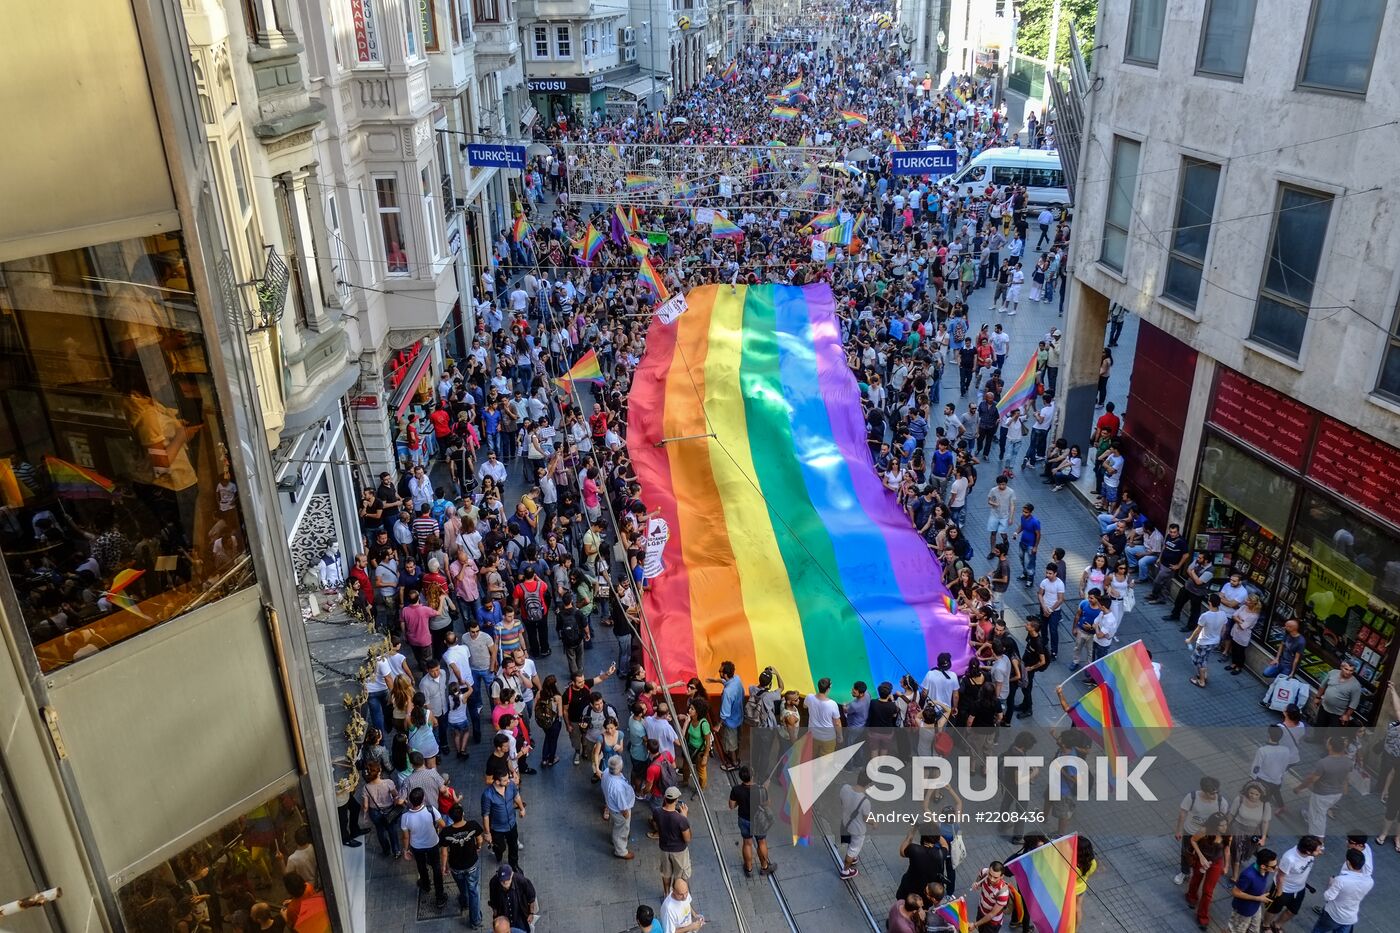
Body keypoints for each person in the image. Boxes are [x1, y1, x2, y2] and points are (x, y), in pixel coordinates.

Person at [1174, 776, 1229, 885]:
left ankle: (1201, 871)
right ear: (1204, 791)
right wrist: (1179, 830)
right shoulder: (1192, 797)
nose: (1215, 795)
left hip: (1209, 835)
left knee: (1207, 854)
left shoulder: (1221, 802)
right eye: (1212, 793)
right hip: (1190, 831)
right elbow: (1183, 813)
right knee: (1186, 853)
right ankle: (1185, 872)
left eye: (1216, 792)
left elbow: (1224, 819)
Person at [1293, 736, 1351, 837]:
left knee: (1318, 818)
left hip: (1322, 794)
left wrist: (1299, 788)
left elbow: (1312, 779)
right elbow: (1346, 777)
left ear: (1330, 746)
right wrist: (1345, 790)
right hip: (1337, 793)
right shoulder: (1348, 762)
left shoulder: (1324, 763)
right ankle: (1311, 815)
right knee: (1320, 810)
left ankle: (1318, 841)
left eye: (1328, 742)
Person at [439, 803, 485, 927]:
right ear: (463, 814)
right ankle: (475, 920)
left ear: (451, 817)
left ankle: (464, 902)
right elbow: (480, 839)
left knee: (462, 886)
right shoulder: (472, 825)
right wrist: (478, 847)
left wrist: (443, 867)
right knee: (474, 891)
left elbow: (444, 852)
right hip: (471, 864)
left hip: (456, 866)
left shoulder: (446, 832)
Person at [1264, 835, 1322, 932]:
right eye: (1318, 850)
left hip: (1299, 889)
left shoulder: (1309, 855)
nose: (1320, 852)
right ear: (1308, 851)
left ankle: (1277, 924)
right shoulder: (1290, 858)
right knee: (1273, 910)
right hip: (1284, 889)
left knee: (1292, 911)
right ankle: (1266, 925)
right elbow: (1280, 876)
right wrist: (1279, 892)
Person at [400, 787, 446, 906]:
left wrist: (405, 850)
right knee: (436, 867)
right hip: (432, 843)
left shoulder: (405, 816)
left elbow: (405, 836)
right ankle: (440, 896)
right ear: (423, 798)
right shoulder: (431, 810)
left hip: (417, 846)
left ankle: (425, 885)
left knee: (421, 866)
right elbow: (442, 825)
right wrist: (440, 835)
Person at [1185, 813, 1232, 930]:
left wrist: (1226, 866)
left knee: (1208, 891)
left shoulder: (1228, 834)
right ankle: (1191, 896)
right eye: (1221, 825)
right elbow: (1193, 840)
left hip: (1216, 863)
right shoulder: (1204, 831)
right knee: (1196, 879)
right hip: (1202, 859)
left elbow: (1227, 850)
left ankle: (1202, 917)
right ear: (1214, 826)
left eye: (1226, 824)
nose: (1224, 827)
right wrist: (1200, 856)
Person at [728, 764, 775, 877]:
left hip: (744, 819)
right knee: (761, 842)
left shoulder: (736, 790)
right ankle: (764, 867)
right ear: (752, 776)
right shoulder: (761, 789)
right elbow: (767, 804)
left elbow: (731, 806)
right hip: (758, 820)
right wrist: (764, 790)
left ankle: (748, 869)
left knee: (747, 843)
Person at [1311, 848, 1373, 933]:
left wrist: (1330, 884)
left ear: (1348, 863)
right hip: (1350, 918)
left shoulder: (1341, 880)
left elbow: (1328, 897)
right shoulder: (1369, 881)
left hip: (1333, 915)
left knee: (1318, 930)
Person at [1228, 847, 1278, 933]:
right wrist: (1258, 898)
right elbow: (1235, 892)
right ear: (1263, 866)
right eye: (1273, 867)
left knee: (1254, 930)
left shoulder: (1265, 871)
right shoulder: (1248, 875)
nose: (1276, 868)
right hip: (1243, 911)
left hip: (1255, 907)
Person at [481, 773, 525, 869]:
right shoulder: (487, 795)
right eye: (505, 780)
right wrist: (487, 833)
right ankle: (498, 852)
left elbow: (516, 796)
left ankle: (514, 865)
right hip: (497, 828)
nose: (508, 781)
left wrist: (522, 808)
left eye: (508, 779)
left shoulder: (511, 785)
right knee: (500, 847)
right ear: (497, 781)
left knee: (513, 846)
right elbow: (485, 815)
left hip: (511, 824)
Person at [1187, 594, 1229, 689]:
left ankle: (1201, 681)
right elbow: (1224, 629)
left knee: (1199, 661)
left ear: (1209, 603)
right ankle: (1204, 675)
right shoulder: (1223, 614)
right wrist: (1219, 638)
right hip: (1214, 642)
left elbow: (1198, 630)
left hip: (1204, 642)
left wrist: (1190, 639)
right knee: (1205, 658)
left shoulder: (1205, 616)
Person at [656, 786, 693, 896]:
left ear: (664, 798)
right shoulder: (681, 819)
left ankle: (666, 894)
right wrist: (684, 817)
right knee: (681, 876)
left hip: (664, 848)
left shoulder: (657, 812)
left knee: (666, 873)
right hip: (679, 852)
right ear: (676, 800)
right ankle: (680, 895)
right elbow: (688, 838)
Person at [602, 755, 638, 860]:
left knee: (616, 825)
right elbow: (623, 807)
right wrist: (626, 815)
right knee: (622, 829)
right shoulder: (618, 788)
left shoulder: (606, 772)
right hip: (619, 811)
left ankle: (615, 839)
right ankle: (621, 851)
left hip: (611, 807)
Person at [838, 772, 872, 879]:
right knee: (853, 849)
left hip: (845, 824)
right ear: (868, 785)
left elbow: (842, 803)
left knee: (850, 844)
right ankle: (846, 871)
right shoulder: (865, 802)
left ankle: (852, 857)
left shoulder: (845, 788)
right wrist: (875, 822)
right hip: (857, 830)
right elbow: (866, 819)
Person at [487, 865, 538, 933]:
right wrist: (496, 916)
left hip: (520, 914)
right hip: (504, 914)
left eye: (507, 879)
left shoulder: (521, 880)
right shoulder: (493, 883)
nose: (505, 882)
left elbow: (531, 897)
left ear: (512, 875)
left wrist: (531, 913)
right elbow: (493, 902)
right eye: (502, 881)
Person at [1314, 660, 1362, 728]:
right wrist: (1318, 697)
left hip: (1338, 715)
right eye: (1346, 669)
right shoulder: (1333, 673)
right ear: (1341, 667)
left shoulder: (1356, 685)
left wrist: (1347, 715)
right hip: (1324, 707)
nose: (1348, 672)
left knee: (1333, 735)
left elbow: (1354, 703)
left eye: (1351, 671)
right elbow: (1323, 685)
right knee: (1319, 728)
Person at [972, 860, 1011, 930]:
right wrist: (976, 883)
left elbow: (991, 914)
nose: (991, 879)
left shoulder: (1003, 893)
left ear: (1002, 876)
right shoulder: (984, 872)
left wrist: (975, 925)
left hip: (992, 923)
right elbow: (979, 879)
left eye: (995, 877)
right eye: (990, 875)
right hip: (981, 911)